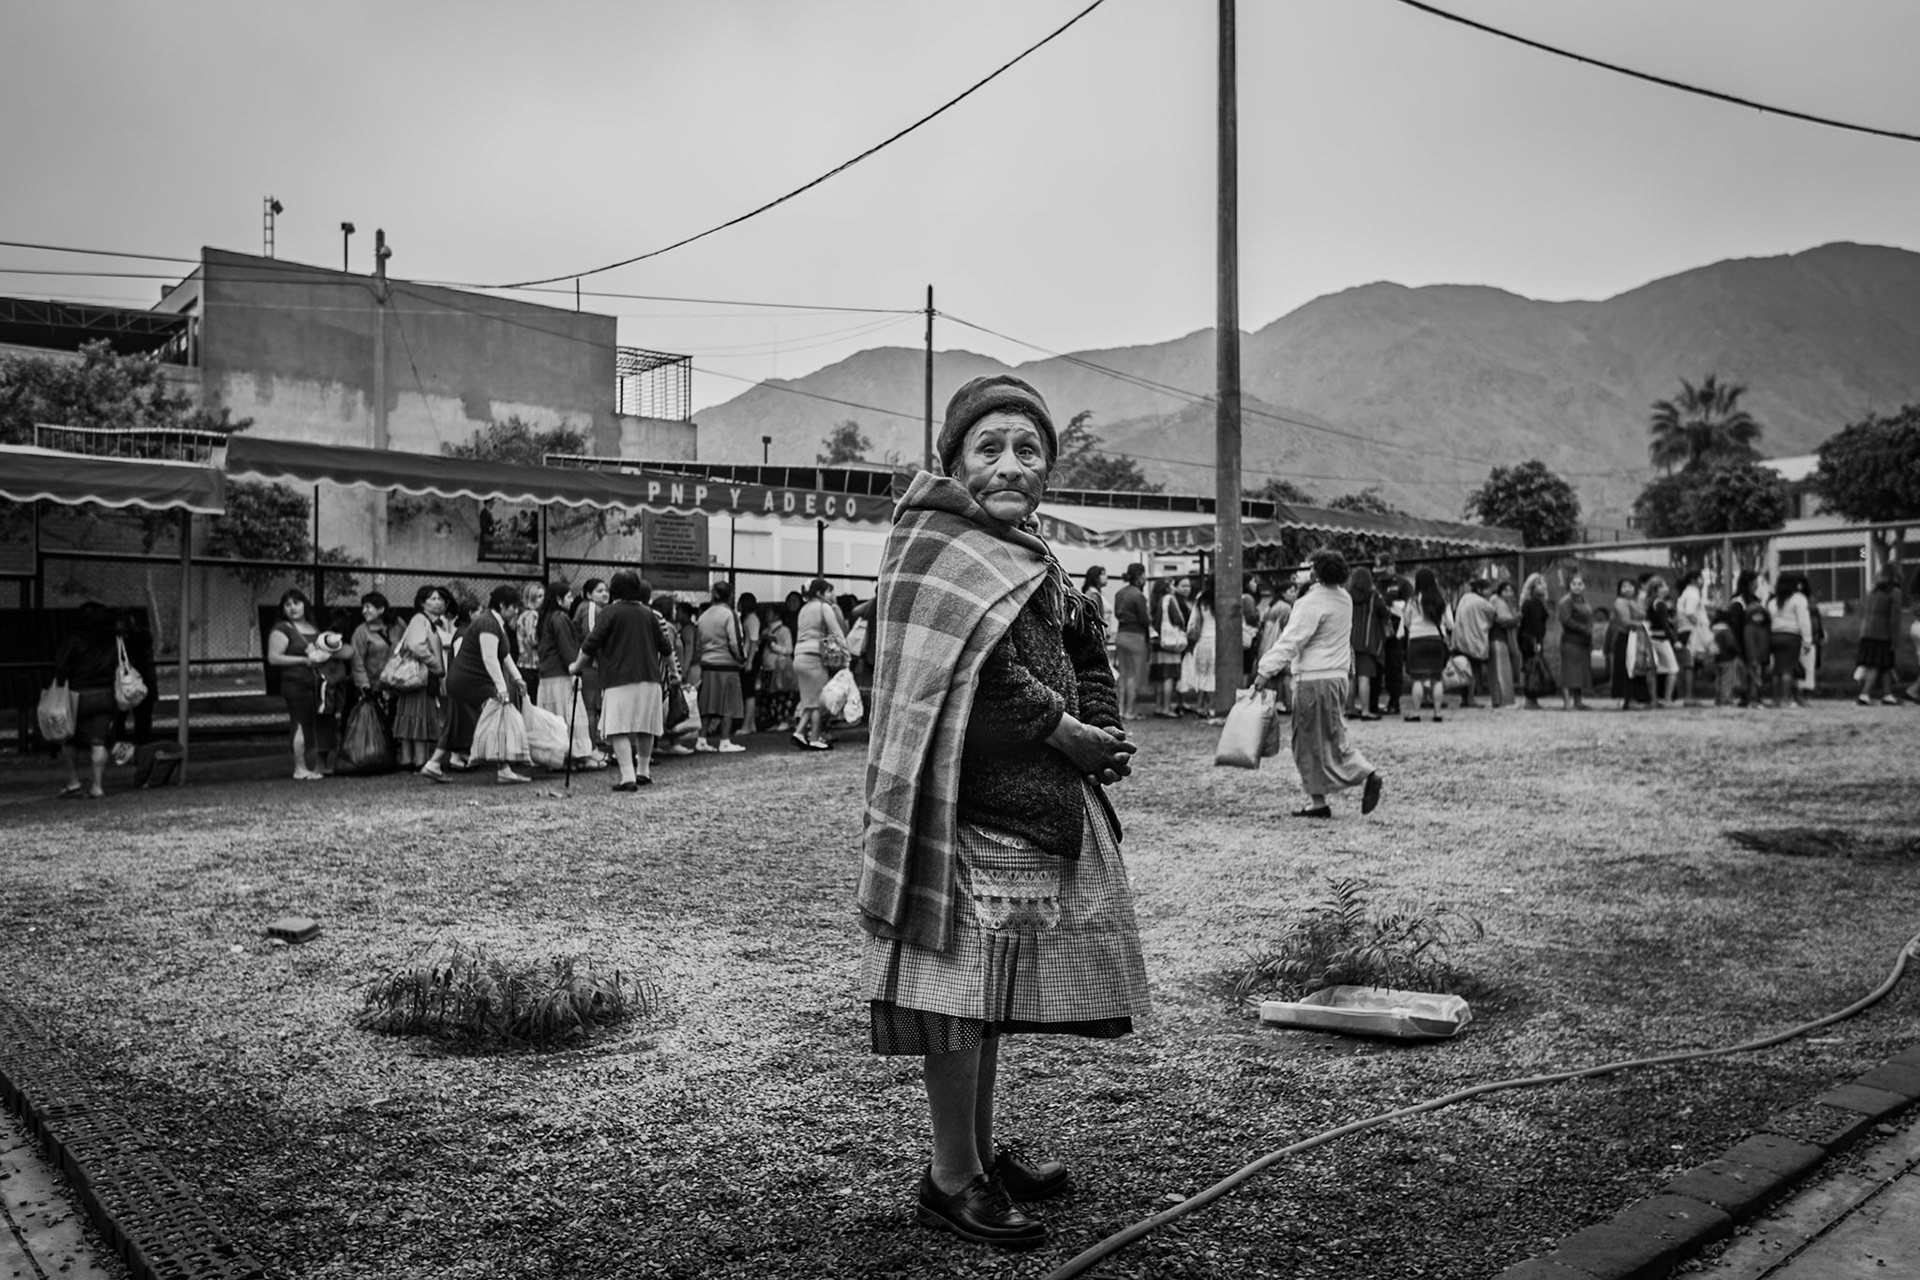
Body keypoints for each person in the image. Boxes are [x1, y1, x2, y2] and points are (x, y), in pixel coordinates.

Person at [857, 374, 1145, 1251]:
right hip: (964, 810)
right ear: (954, 463)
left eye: (1029, 448)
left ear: (1049, 468)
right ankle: (951, 1179)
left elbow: (1080, 646)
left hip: (1028, 809)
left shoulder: (1030, 555)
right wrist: (1067, 734)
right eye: (990, 448)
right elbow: (968, 684)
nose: (1010, 463)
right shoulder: (939, 547)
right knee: (955, 997)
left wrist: (1102, 723)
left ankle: (978, 1153)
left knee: (988, 999)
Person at [1254, 548, 1384, 819]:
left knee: (1307, 740)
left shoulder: (1312, 602)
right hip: (1338, 678)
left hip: (1313, 679)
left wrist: (1264, 670)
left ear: (1316, 571)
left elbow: (1293, 639)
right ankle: (1357, 776)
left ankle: (1323, 797)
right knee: (1334, 734)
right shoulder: (1344, 598)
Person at [569, 570, 679, 790]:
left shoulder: (610, 613)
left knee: (618, 728)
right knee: (645, 727)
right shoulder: (649, 614)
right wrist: (674, 671)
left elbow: (591, 644)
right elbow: (666, 647)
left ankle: (627, 777)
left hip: (619, 680)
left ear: (614, 591)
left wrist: (576, 666)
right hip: (650, 679)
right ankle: (644, 772)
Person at [419, 584, 532, 785]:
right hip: (471, 681)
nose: (516, 611)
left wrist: (517, 678)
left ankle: (433, 764)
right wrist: (502, 688)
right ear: (502, 605)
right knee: (499, 716)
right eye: (513, 607)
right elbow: (490, 658)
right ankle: (503, 769)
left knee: (456, 722)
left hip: (461, 680)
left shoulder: (493, 623)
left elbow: (504, 655)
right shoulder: (488, 624)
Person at [52, 601, 119, 799]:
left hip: (78, 694)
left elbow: (61, 666)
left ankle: (74, 783)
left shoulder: (75, 640)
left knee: (68, 739)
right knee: (99, 741)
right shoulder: (112, 641)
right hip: (105, 695)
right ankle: (97, 786)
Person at [266, 588, 330, 781]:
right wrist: (302, 660)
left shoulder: (312, 627)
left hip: (315, 683)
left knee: (314, 723)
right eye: (288, 604)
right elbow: (274, 658)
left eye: (296, 603)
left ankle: (314, 766)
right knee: (300, 721)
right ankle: (299, 767)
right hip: (295, 683)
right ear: (283, 609)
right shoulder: (282, 629)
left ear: (304, 604)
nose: (293, 608)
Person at [390, 585, 453, 767]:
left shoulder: (426, 621)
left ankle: (408, 759)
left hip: (415, 677)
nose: (438, 602)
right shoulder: (420, 620)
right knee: (418, 716)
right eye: (432, 599)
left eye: (439, 598)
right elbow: (416, 645)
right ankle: (420, 760)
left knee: (410, 717)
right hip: (420, 676)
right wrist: (435, 664)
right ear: (422, 603)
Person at [792, 577, 848, 751]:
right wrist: (847, 655)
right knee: (817, 701)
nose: (832, 594)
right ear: (820, 593)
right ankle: (815, 738)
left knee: (809, 700)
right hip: (814, 658)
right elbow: (837, 632)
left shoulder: (804, 609)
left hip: (799, 656)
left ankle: (799, 732)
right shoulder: (824, 607)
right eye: (829, 591)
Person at [694, 580, 750, 753]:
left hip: (707, 664)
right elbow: (735, 642)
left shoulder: (703, 616)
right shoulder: (729, 615)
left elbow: (698, 644)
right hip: (727, 665)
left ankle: (701, 739)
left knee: (707, 704)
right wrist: (742, 659)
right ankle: (725, 741)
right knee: (728, 703)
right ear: (731, 596)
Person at [1402, 567, 1453, 722]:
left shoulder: (1412, 600)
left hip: (1417, 641)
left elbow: (1406, 622)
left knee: (1418, 679)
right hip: (1436, 641)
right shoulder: (1441, 599)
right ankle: (1437, 713)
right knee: (1436, 678)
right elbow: (1450, 624)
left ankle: (1416, 713)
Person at [108, 607, 159, 765]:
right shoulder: (142, 636)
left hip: (127, 682)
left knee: (124, 719)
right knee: (137, 719)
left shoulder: (126, 640)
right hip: (140, 682)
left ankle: (130, 752)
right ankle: (139, 752)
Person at [572, 578, 611, 760]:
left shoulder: (594, 608)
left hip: (589, 665)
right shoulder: (591, 608)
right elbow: (592, 638)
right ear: (588, 594)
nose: (605, 594)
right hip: (590, 665)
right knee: (591, 708)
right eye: (599, 590)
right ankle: (592, 748)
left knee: (591, 707)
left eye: (606, 590)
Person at [1855, 566, 1904, 706]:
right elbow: (1894, 619)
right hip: (1882, 634)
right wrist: (1895, 640)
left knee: (1885, 665)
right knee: (1876, 665)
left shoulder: (1872, 591)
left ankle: (1888, 694)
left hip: (1867, 632)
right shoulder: (1895, 593)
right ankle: (1864, 694)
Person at [1346, 565, 1390, 721]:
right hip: (1368, 642)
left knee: (1350, 677)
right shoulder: (1374, 597)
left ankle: (1350, 708)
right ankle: (1365, 711)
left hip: (1348, 641)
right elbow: (1385, 613)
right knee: (1364, 677)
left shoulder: (1347, 596)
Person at [1767, 572, 1814, 710]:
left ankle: (1775, 699)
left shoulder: (1773, 602)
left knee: (1777, 669)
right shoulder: (1798, 599)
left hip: (1775, 636)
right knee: (1788, 669)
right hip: (1791, 636)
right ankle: (1786, 699)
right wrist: (1807, 640)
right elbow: (1804, 621)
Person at [348, 590, 401, 711]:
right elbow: (357, 661)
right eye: (363, 608)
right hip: (373, 688)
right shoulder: (361, 632)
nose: (364, 611)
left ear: (381, 609)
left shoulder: (397, 626)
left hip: (396, 686)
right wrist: (364, 686)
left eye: (368, 607)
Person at [1110, 563, 1151, 720]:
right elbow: (1144, 619)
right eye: (1144, 575)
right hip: (1136, 637)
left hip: (1121, 635)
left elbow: (1116, 614)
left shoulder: (1119, 593)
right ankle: (1130, 711)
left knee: (1124, 675)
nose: (1145, 578)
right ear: (1140, 576)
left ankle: (1120, 710)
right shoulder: (1138, 595)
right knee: (1134, 676)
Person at [1150, 574, 1192, 717]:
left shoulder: (1156, 600)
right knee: (1169, 676)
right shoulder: (1169, 599)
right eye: (1173, 585)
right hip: (1171, 644)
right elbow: (1177, 618)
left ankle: (1159, 706)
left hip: (1159, 642)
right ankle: (1167, 708)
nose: (1174, 588)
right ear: (1168, 587)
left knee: (1160, 677)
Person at [1258, 579, 1300, 714]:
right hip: (1278, 643)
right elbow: (1288, 629)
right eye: (1291, 591)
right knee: (1286, 674)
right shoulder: (1285, 608)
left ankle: (1273, 702)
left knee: (1272, 677)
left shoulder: (1272, 605)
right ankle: (1286, 702)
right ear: (1283, 593)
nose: (1294, 594)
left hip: (1266, 644)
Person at [1178, 575, 1217, 721]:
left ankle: (1199, 706)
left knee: (1202, 674)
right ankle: (1211, 707)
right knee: (1213, 675)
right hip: (1217, 640)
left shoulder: (1201, 597)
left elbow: (1193, 619)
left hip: (1202, 640)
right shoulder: (1222, 596)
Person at [1609, 579, 1652, 710]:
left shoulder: (1634, 602)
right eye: (1624, 586)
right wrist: (1640, 624)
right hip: (1626, 637)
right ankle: (1628, 698)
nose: (1627, 589)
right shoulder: (1620, 602)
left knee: (1637, 667)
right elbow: (1625, 621)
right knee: (1628, 668)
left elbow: (1644, 614)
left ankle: (1636, 697)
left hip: (1636, 637)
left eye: (1630, 586)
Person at [1452, 578, 1494, 709]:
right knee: (1473, 671)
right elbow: (1493, 614)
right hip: (1474, 641)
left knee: (1462, 670)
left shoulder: (1464, 599)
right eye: (1487, 589)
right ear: (1480, 590)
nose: (1489, 591)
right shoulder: (1483, 603)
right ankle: (1471, 699)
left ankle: (1464, 699)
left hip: (1460, 639)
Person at [756, 602, 798, 731]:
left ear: (777, 615)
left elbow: (789, 650)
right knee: (770, 698)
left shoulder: (784, 630)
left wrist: (773, 645)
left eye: (770, 613)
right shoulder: (765, 630)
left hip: (779, 668)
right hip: (767, 668)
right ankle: (773, 720)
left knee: (782, 696)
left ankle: (785, 720)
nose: (767, 615)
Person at [1554, 574, 1594, 710]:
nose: (1577, 587)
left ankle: (1578, 701)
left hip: (1583, 642)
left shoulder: (1584, 601)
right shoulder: (1565, 602)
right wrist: (1583, 629)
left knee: (1581, 672)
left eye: (1580, 584)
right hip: (1570, 641)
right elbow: (1565, 620)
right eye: (1574, 584)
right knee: (1568, 672)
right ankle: (1566, 702)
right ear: (1569, 586)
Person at [1675, 570, 1713, 707]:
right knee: (1690, 665)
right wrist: (1700, 626)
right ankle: (1689, 697)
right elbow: (1690, 612)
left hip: (1685, 630)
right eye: (1701, 579)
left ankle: (1687, 695)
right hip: (1691, 631)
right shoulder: (1693, 593)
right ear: (1694, 580)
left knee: (1688, 665)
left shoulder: (1686, 593)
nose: (1702, 582)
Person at [1643, 576, 1681, 707]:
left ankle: (1653, 699)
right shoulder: (1660, 603)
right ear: (1657, 589)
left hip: (1651, 637)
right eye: (1664, 586)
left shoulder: (1650, 602)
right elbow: (1665, 624)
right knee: (1673, 668)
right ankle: (1667, 698)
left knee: (1653, 669)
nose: (1666, 589)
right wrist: (1674, 640)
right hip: (1661, 639)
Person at [1517, 573, 1551, 710]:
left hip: (1527, 638)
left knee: (1531, 668)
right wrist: (1537, 641)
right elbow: (1535, 624)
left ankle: (1531, 698)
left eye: (1542, 583)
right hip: (1531, 639)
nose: (1542, 586)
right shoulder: (1533, 603)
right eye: (1539, 583)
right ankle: (1530, 698)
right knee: (1533, 668)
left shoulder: (1531, 602)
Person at [513, 580, 547, 695]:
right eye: (539, 596)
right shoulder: (533, 615)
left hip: (523, 662)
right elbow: (533, 640)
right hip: (532, 663)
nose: (543, 599)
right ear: (531, 598)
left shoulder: (523, 615)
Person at [737, 591, 763, 734]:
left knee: (749, 692)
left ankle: (747, 725)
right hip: (749, 656)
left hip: (751, 657)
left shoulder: (752, 619)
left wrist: (750, 661)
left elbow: (753, 641)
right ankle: (750, 723)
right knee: (748, 691)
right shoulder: (749, 618)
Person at [1080, 566, 1109, 630]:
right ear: (1095, 577)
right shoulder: (1094, 595)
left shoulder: (1099, 593)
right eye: (1103, 574)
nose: (1106, 577)